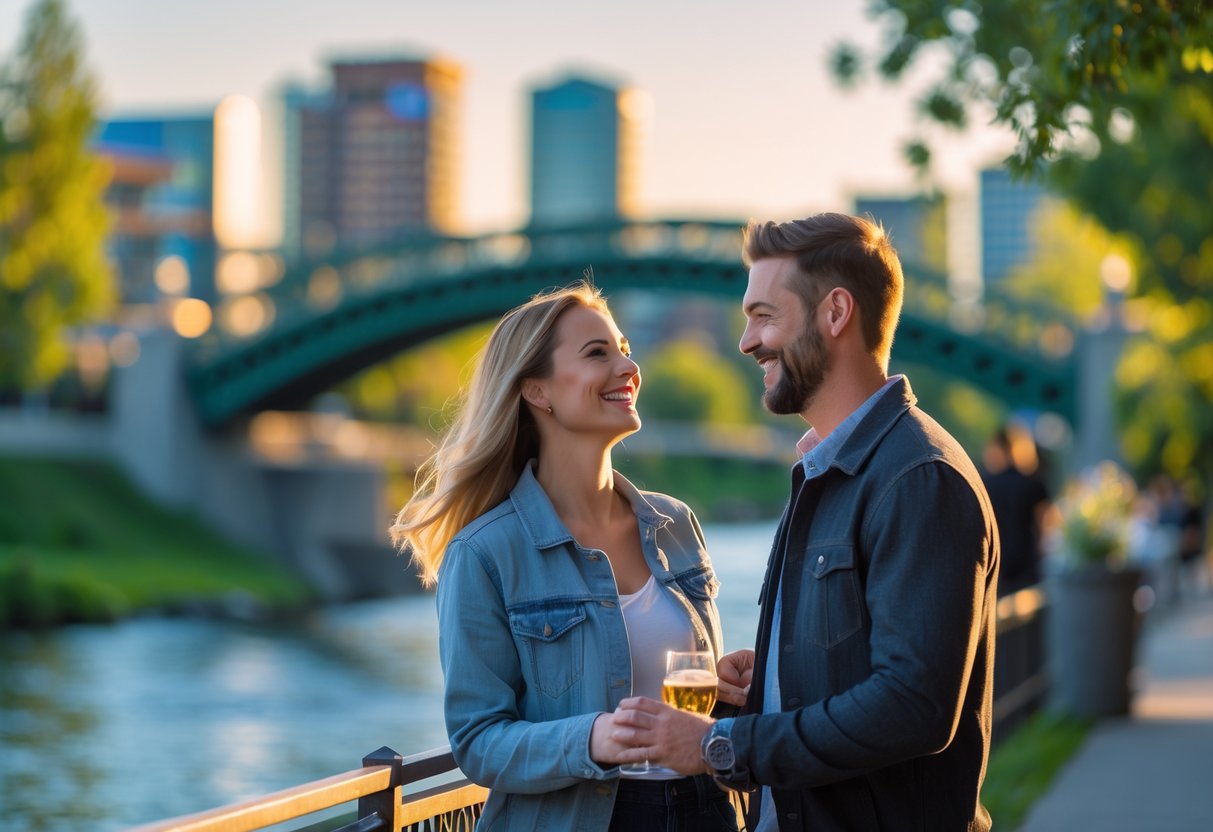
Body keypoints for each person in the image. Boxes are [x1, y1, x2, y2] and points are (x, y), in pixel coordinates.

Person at [613, 213, 1000, 831]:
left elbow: (913, 705)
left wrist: (722, 747)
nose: (746, 341)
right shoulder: (829, 471)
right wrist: (772, 674)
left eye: (764, 316)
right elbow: (862, 665)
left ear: (835, 313)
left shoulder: (917, 478)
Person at [391, 282, 738, 832]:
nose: (629, 366)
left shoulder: (676, 525)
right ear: (538, 391)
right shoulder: (485, 553)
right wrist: (592, 738)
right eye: (599, 353)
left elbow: (682, 707)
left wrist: (726, 686)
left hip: (705, 813)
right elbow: (478, 743)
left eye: (624, 348)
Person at [980, 420, 1051, 596]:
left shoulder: (985, 483)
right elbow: (1046, 528)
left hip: (995, 560)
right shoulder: (1034, 484)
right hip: (1027, 562)